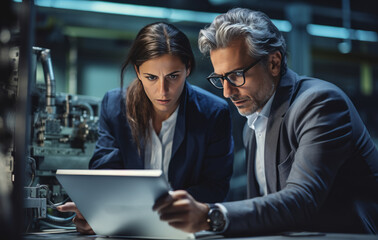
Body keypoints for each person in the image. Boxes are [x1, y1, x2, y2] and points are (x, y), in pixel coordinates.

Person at [153, 8, 378, 236]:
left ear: (273, 63)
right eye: (221, 79)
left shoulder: (320, 104)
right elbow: (263, 212)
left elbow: (302, 200)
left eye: (236, 75)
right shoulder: (253, 125)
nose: (227, 92)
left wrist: (211, 215)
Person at [57, 22, 234, 234]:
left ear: (188, 68)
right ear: (138, 72)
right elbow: (105, 174)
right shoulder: (114, 105)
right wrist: (95, 211)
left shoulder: (213, 113)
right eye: (151, 78)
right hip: (127, 229)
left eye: (173, 76)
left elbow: (215, 187)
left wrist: (143, 211)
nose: (163, 91)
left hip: (185, 230)